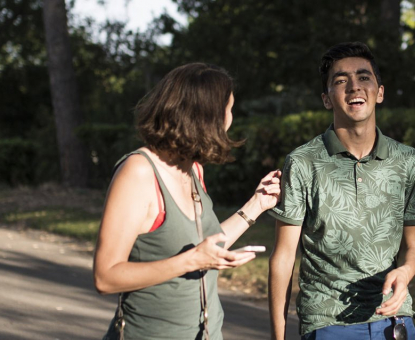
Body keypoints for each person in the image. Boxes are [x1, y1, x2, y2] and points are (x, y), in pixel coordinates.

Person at [93, 62, 281, 340]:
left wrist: (257, 204)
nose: (230, 118)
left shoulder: (192, 169)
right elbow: (105, 277)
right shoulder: (139, 172)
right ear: (206, 115)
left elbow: (206, 247)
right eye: (228, 109)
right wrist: (191, 261)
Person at [268, 42, 415, 340]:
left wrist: (405, 272)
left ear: (379, 92)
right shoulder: (303, 162)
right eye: (341, 81)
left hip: (394, 319)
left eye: (364, 77)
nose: (354, 86)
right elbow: (284, 256)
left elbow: (412, 247)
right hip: (327, 321)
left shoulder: (409, 161)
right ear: (327, 99)